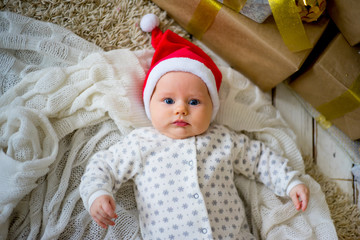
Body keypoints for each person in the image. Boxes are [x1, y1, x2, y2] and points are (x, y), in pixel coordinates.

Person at [80, 14, 309, 239]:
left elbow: (259, 159)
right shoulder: (141, 143)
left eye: (194, 102)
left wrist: (289, 182)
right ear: (150, 105)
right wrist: (98, 193)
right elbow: (104, 165)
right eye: (168, 101)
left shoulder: (222, 139)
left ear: (212, 108)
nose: (181, 109)